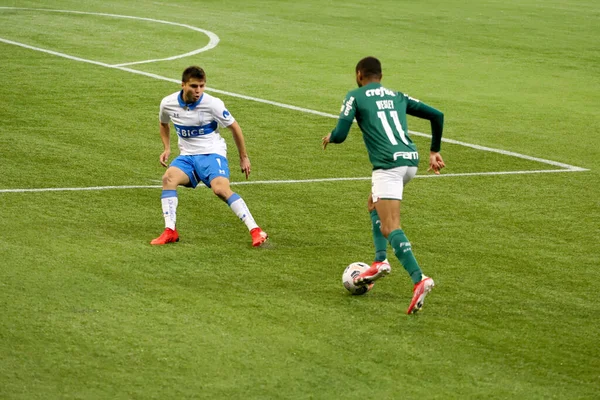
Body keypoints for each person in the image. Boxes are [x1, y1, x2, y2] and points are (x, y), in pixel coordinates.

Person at [322, 56, 445, 314]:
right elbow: (436, 115)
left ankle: (419, 278)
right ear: (381, 75)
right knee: (373, 203)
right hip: (410, 161)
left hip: (387, 166)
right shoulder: (397, 96)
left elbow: (342, 134)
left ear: (359, 75)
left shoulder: (355, 96)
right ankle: (380, 261)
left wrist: (331, 137)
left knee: (391, 227)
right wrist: (434, 151)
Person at [151, 66, 268, 247]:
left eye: (202, 86)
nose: (198, 91)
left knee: (220, 189)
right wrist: (166, 148)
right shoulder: (167, 103)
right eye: (194, 86)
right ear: (183, 85)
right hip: (188, 157)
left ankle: (256, 230)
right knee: (168, 178)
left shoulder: (212, 104)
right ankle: (170, 231)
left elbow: (235, 127)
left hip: (212, 153)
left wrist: (243, 157)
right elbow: (163, 124)